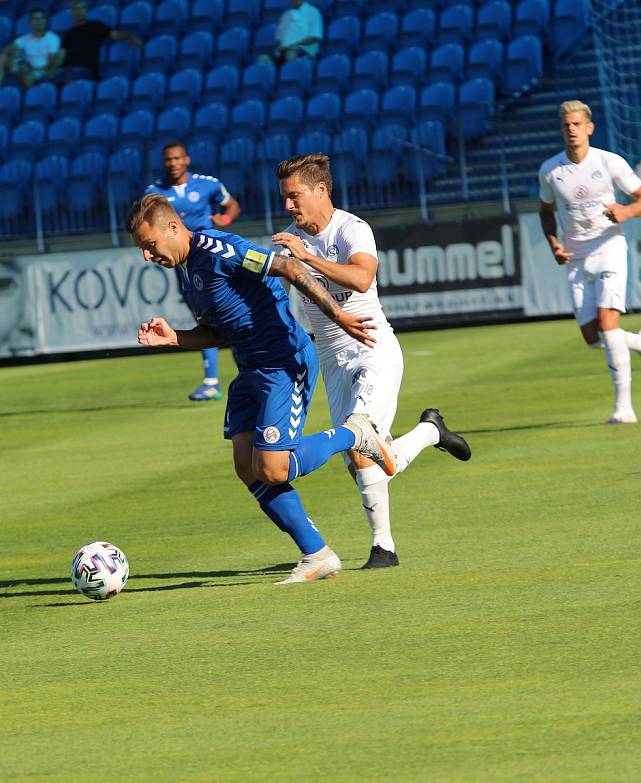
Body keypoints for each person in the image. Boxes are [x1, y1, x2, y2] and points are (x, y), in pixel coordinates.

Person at [128, 193, 398, 585]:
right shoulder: (186, 271)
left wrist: (337, 313)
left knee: (273, 468)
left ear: (173, 227)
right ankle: (317, 555)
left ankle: (354, 434)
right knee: (246, 466)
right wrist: (176, 339)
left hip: (283, 363)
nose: (148, 256)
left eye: (150, 245)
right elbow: (217, 332)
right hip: (250, 368)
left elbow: (287, 266)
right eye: (142, 249)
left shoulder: (219, 248)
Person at [271, 154, 472, 569]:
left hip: (371, 347)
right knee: (363, 459)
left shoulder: (351, 228)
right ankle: (430, 432)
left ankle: (384, 547)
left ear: (320, 190)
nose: (289, 206)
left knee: (362, 443)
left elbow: (362, 278)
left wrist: (305, 258)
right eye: (285, 198)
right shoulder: (288, 240)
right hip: (331, 359)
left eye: (295, 196)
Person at [538, 100, 641, 425]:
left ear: (589, 127)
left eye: (577, 124)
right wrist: (554, 243)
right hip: (577, 260)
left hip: (609, 249)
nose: (572, 130)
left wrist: (626, 211)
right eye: (566, 125)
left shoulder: (609, 162)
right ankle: (640, 342)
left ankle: (624, 409)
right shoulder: (551, 170)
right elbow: (545, 212)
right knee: (594, 338)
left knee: (608, 326)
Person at [144, 141, 242, 401]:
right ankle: (212, 380)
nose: (173, 163)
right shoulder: (154, 192)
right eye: (168, 160)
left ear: (186, 160)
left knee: (226, 309)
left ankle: (228, 374)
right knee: (204, 317)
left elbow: (232, 204)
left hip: (211, 255)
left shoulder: (208, 183)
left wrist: (225, 219)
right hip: (184, 262)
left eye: (177, 159)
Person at [54, 0, 142, 83]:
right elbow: (62, 53)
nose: (78, 11)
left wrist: (130, 37)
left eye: (81, 8)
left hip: (86, 70)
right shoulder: (68, 33)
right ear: (72, 12)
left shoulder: (96, 26)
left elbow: (115, 35)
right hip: (67, 69)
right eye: (76, 9)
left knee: (69, 78)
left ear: (87, 10)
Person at [0, 8, 60, 88]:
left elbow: (50, 64)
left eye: (41, 18)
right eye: (35, 19)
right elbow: (7, 49)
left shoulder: (52, 38)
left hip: (40, 70)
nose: (38, 21)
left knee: (28, 77)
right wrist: (16, 52)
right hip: (24, 67)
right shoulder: (25, 38)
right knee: (3, 56)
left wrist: (32, 69)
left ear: (45, 21)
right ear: (30, 22)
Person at [262, 0, 323, 66]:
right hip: (284, 51)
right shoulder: (286, 14)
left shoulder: (313, 12)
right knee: (263, 59)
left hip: (305, 51)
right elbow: (279, 39)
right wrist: (280, 48)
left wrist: (292, 46)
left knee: (290, 55)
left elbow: (314, 38)